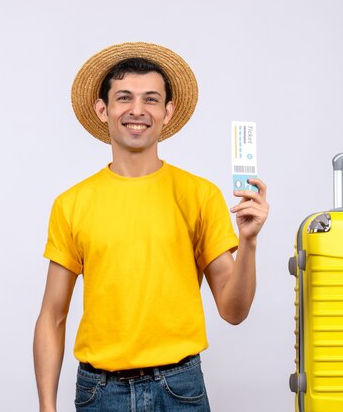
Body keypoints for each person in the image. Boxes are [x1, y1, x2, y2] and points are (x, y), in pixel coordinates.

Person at [33, 42, 269, 412]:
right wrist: (47, 406)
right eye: (124, 98)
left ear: (168, 111)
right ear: (103, 109)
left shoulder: (199, 195)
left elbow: (233, 311)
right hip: (99, 393)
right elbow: (52, 315)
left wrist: (249, 242)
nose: (137, 111)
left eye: (151, 99)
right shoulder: (71, 203)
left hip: (180, 389)